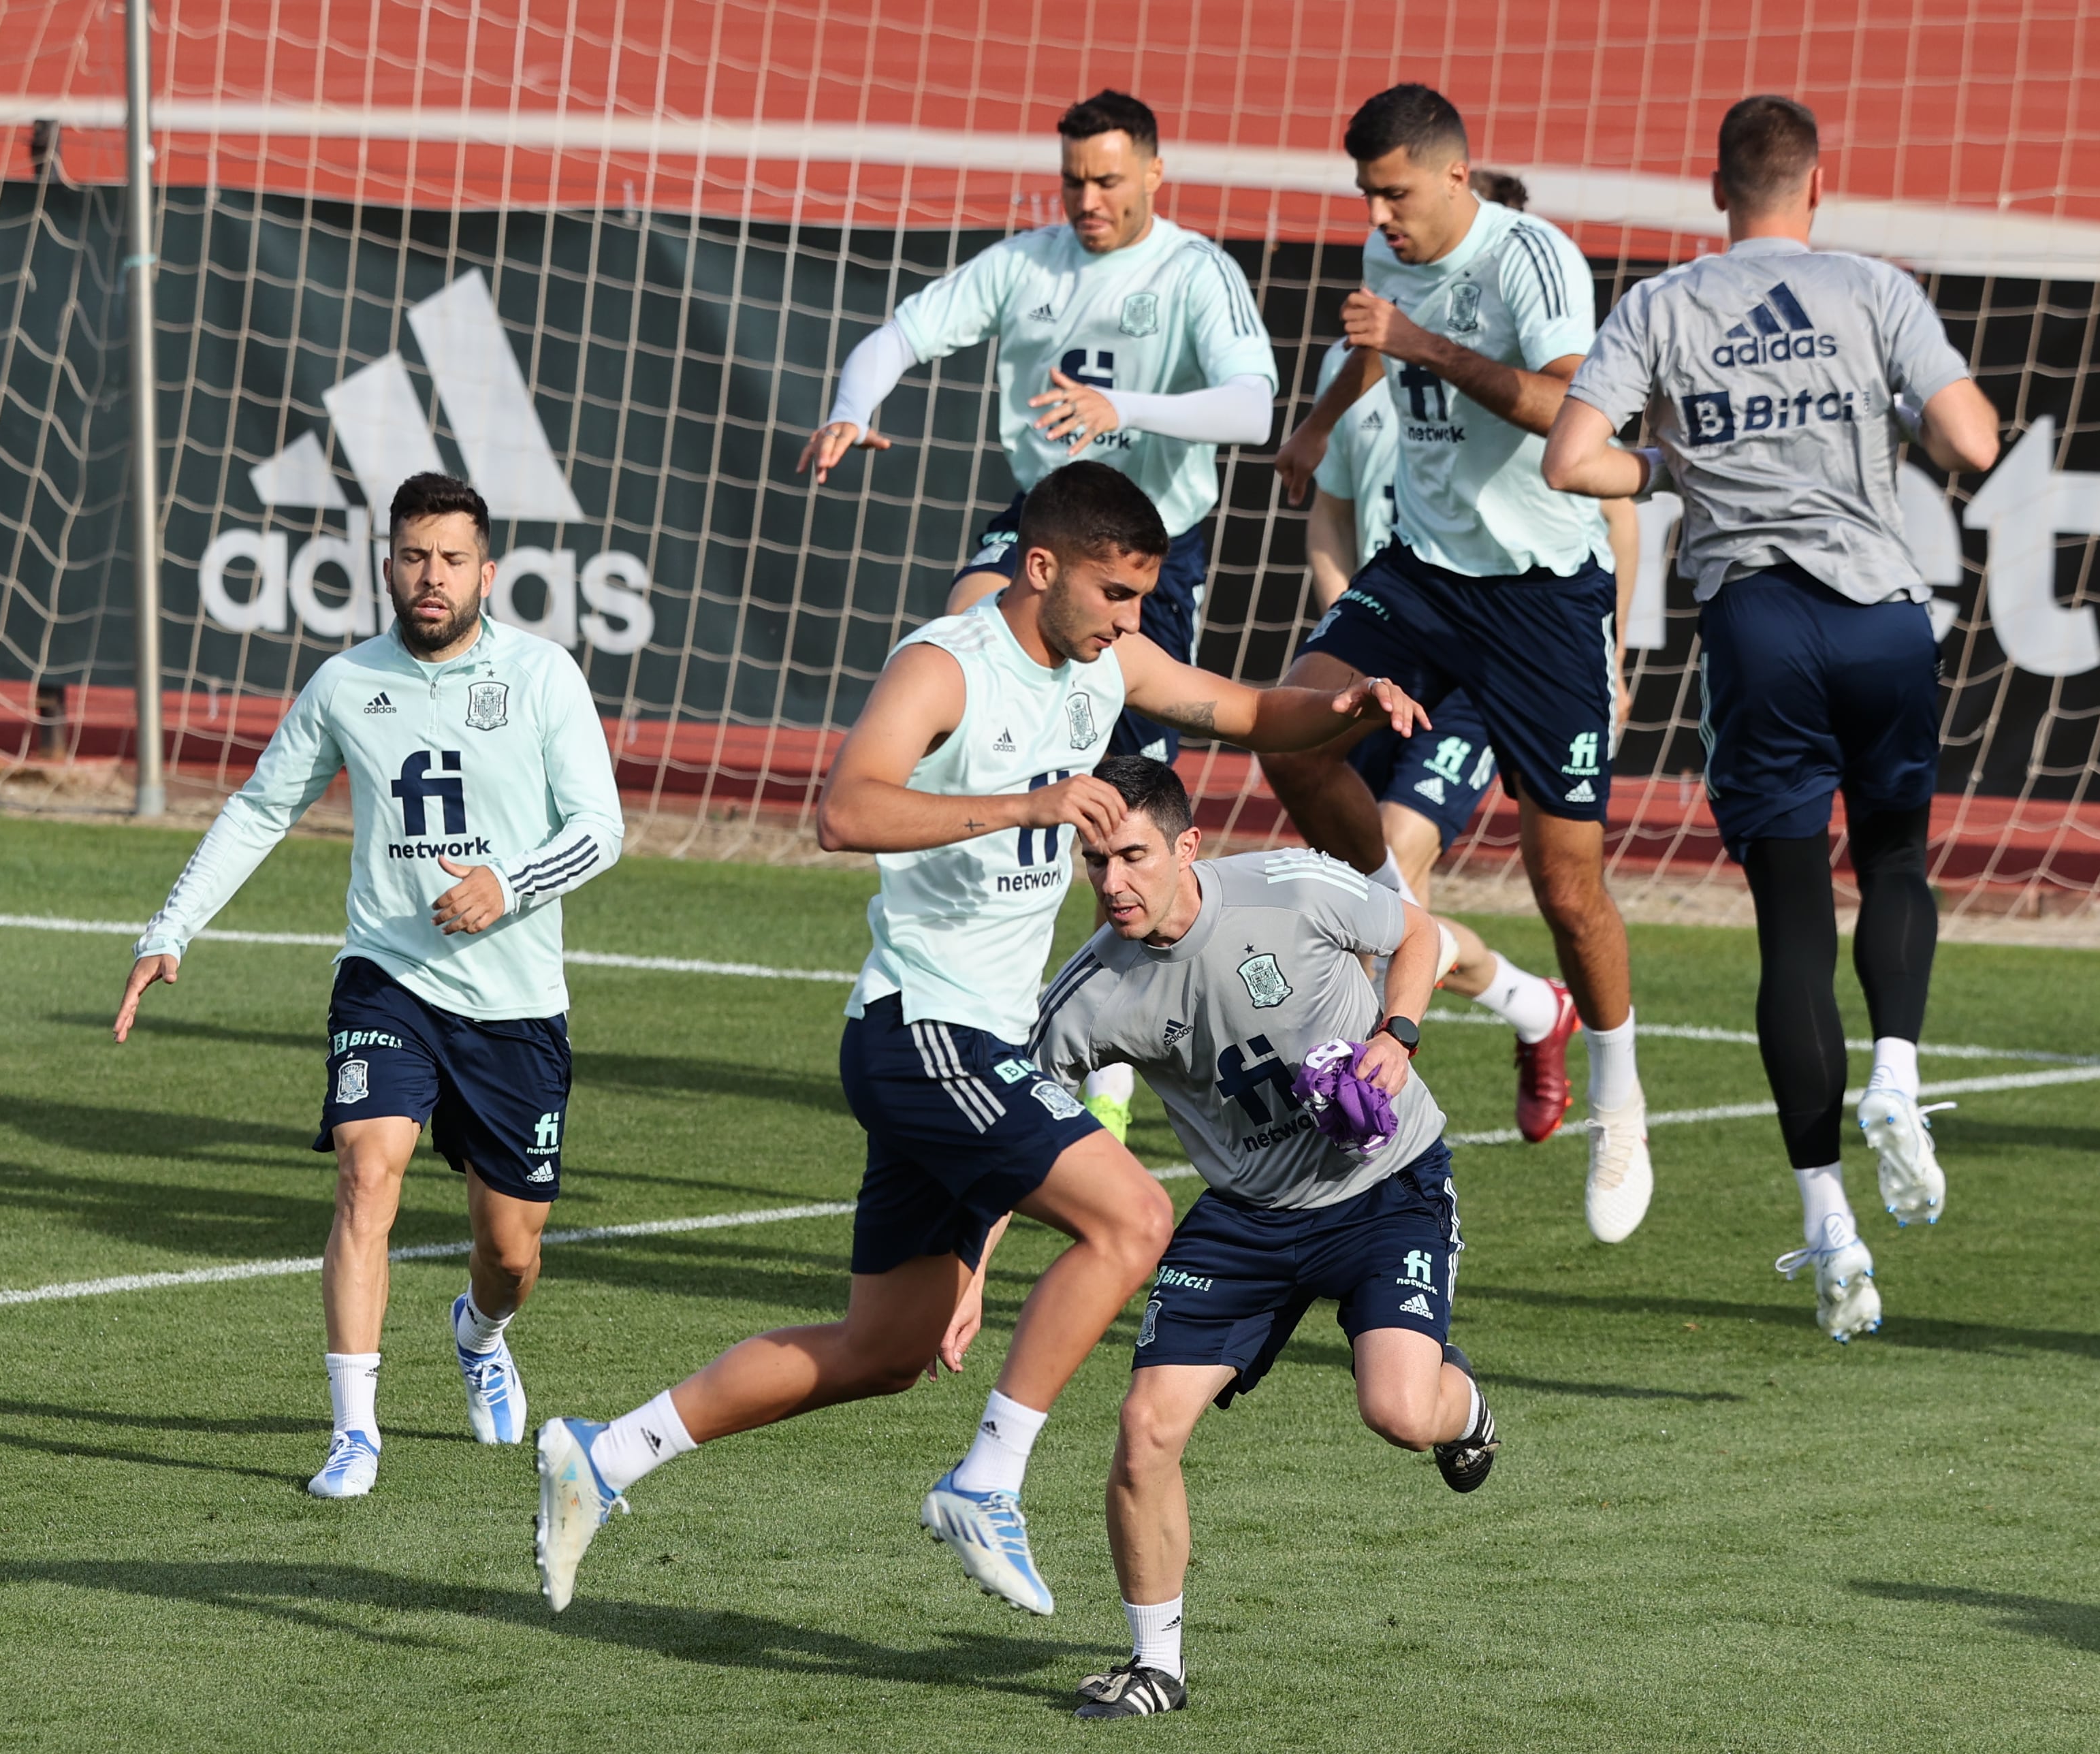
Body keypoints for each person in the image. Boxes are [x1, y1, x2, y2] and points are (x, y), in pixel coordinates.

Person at [530, 462, 1425, 1620]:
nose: (1129, 622)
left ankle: (604, 1457)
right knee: (1136, 1218)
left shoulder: (1109, 665)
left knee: (884, 1348)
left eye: (1142, 600)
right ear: (1040, 568)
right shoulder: (944, 663)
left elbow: (1252, 712)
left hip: (975, 1047)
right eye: (1113, 594)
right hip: (925, 1028)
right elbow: (846, 809)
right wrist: (1029, 801)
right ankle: (987, 1481)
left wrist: (1345, 711)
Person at [1544, 95, 2001, 1341]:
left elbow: (1572, 462)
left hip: (1758, 627)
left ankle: (1830, 1231)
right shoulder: (1873, 286)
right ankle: (1899, 1080)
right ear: (1818, 187)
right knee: (1898, 858)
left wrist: (1678, 466)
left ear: (1717, 192)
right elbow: (1973, 436)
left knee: (1791, 925)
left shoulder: (1660, 304)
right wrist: (1895, 423)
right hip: (1882, 619)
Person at [112, 472, 625, 1496]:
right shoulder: (346, 684)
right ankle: (355, 1431)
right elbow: (262, 808)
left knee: (512, 1252)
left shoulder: (542, 676)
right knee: (365, 1172)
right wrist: (172, 925)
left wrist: (507, 886)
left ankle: (479, 1337)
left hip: (514, 1003)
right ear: (387, 565)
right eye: (411, 557)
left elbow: (601, 831)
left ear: (488, 572)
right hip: (386, 980)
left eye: (449, 560)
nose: (428, 578)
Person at [797, 86, 1280, 1148]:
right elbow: (901, 336)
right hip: (1041, 522)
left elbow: (1254, 404)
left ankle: (1110, 1055)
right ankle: (940, 914)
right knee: (967, 651)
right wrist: (850, 406)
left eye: (1110, 180)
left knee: (1131, 809)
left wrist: (1128, 412)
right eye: (1074, 181)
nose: (1089, 200)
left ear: (1156, 174)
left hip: (1152, 543)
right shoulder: (1026, 263)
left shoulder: (1196, 272)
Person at [1029, 756, 1498, 1719]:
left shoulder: (1290, 884)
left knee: (1402, 1413)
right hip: (1245, 1217)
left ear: (1186, 847)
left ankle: (1470, 1412)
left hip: (1388, 1186)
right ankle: (1156, 1664)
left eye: (1132, 856)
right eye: (1093, 861)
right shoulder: (1089, 995)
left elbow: (1418, 932)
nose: (1113, 883)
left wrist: (1396, 1037)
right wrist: (967, 1270)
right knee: (1145, 1429)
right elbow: (1007, 1137)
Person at [1269, 84, 1653, 1245]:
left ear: (1453, 176)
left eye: (1395, 192)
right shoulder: (1392, 256)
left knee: (1567, 885)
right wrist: (1322, 422)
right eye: (1367, 195)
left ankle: (1621, 1096)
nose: (1380, 213)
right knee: (1284, 724)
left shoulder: (1532, 261)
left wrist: (1425, 342)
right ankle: (1400, 915)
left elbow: (1564, 413)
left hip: (1542, 602)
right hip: (1428, 575)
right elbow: (1375, 351)